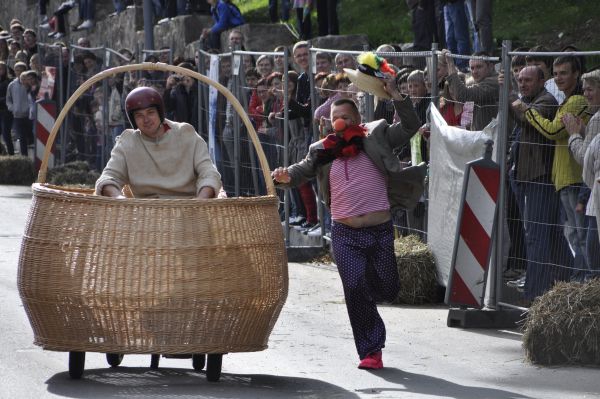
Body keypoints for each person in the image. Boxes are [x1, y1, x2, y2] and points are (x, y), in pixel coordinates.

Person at [271, 74, 425, 369]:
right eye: (334, 117)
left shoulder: (376, 135)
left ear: (356, 118)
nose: (338, 121)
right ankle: (371, 350)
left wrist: (396, 96)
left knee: (389, 289)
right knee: (354, 287)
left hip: (380, 229)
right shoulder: (322, 150)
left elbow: (410, 126)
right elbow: (300, 171)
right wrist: (283, 176)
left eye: (344, 116)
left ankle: (372, 310)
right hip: (345, 233)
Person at [520, 55, 590, 283]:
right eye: (556, 73)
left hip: (574, 177)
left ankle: (583, 282)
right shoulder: (565, 102)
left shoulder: (577, 102)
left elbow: (551, 131)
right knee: (572, 235)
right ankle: (577, 280)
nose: (559, 78)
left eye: (564, 73)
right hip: (562, 179)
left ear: (576, 74)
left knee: (581, 235)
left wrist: (527, 111)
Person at [508, 65, 573, 299]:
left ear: (542, 81)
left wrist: (510, 98)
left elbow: (527, 119)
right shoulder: (526, 99)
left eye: (527, 80)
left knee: (537, 236)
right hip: (524, 177)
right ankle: (569, 281)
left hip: (540, 179)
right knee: (551, 234)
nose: (522, 84)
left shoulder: (546, 101)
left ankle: (535, 293)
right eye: (519, 80)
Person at [96, 86, 222, 199]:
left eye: (150, 113)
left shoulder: (185, 134)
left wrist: (200, 201)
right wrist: (119, 199)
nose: (146, 120)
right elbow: (108, 178)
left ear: (160, 112)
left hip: (187, 209)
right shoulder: (127, 142)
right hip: (146, 213)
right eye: (139, 115)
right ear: (133, 119)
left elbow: (209, 173)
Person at [565, 69, 600, 280]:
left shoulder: (597, 119)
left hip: (595, 198)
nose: (586, 94)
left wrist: (574, 136)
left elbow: (585, 158)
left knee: (592, 254)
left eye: (591, 89)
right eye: (584, 89)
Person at [444, 50, 499, 130]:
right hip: (483, 137)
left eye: (479, 67)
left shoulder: (494, 82)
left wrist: (450, 63)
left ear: (490, 66)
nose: (475, 72)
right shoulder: (480, 80)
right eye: (472, 68)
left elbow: (463, 95)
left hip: (493, 139)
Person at [6, 62, 31, 156]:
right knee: (22, 137)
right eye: (17, 70)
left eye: (21, 70)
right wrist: (12, 108)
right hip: (17, 116)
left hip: (29, 115)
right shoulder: (12, 85)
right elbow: (8, 99)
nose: (19, 72)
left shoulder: (29, 84)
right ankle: (25, 157)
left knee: (30, 136)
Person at [0, 61, 14, 155]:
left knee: (6, 134)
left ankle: (11, 154)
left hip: (6, 111)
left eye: (1, 69)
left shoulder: (9, 82)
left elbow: (10, 97)